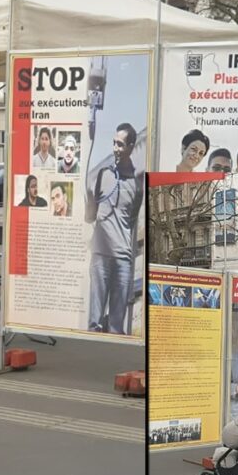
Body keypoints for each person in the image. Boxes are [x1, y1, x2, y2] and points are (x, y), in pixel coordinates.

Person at [85, 122, 143, 335]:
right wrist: (89, 199)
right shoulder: (103, 175)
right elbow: (90, 216)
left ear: (130, 146)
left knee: (117, 325)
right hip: (100, 255)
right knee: (95, 322)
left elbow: (132, 218)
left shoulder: (138, 184)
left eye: (120, 144)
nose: (115, 148)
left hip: (122, 259)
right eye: (114, 143)